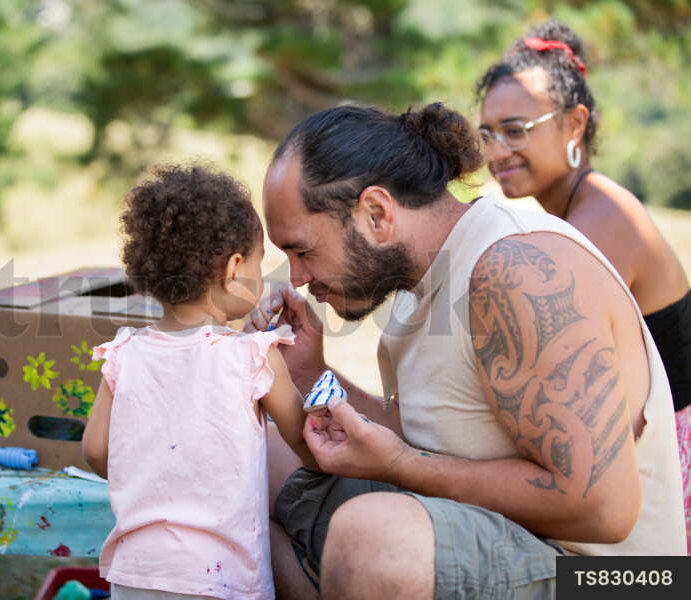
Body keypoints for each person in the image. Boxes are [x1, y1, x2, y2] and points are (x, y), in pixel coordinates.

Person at [248, 102, 685, 599]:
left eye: (303, 250)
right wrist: (310, 372)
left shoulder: (516, 268)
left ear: (376, 213)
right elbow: (425, 431)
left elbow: (604, 507)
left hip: (613, 581)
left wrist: (402, 468)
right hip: (496, 538)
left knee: (375, 539)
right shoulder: (420, 288)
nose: (298, 278)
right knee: (253, 447)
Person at [475, 19, 691, 553]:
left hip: (673, 462)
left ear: (573, 125)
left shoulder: (605, 218)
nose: (497, 150)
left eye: (516, 130)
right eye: (487, 133)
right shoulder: (569, 217)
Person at [82, 163, 319, 600]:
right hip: (221, 578)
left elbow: (97, 450)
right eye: (258, 264)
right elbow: (306, 439)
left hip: (136, 573)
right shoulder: (252, 355)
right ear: (233, 269)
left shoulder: (122, 355)